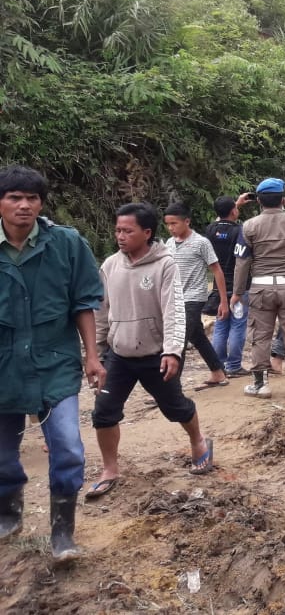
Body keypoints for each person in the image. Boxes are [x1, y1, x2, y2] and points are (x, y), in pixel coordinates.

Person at [0, 165, 105, 563]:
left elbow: (83, 303)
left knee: (69, 448)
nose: (24, 205)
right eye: (14, 197)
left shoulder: (67, 244)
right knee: (1, 453)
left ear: (41, 203)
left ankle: (63, 531)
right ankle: (8, 511)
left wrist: (92, 356)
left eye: (32, 198)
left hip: (55, 363)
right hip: (4, 366)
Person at [89, 203, 214, 502]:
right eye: (118, 230)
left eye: (127, 231)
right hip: (119, 355)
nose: (120, 236)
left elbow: (174, 310)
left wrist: (172, 351)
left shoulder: (164, 265)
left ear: (146, 233)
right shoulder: (110, 265)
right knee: (103, 412)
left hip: (156, 355)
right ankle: (110, 469)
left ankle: (198, 440)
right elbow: (101, 312)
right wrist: (95, 353)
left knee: (175, 408)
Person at [232, 178, 285, 398]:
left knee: (260, 336)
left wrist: (238, 292)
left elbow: (242, 263)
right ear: (283, 200)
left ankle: (261, 385)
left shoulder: (248, 226)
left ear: (259, 201)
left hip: (261, 289)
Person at [163, 203, 228, 390]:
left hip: (194, 297)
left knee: (179, 340)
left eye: (174, 223)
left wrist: (222, 300)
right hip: (175, 297)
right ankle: (218, 372)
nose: (171, 228)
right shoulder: (169, 243)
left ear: (187, 221)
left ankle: (171, 389)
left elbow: (216, 270)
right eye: (168, 224)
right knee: (197, 336)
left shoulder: (201, 243)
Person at [207, 194, 253, 378]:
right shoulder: (240, 231)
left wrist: (234, 205)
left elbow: (219, 221)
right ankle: (234, 365)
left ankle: (219, 365)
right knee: (238, 325)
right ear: (234, 211)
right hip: (238, 286)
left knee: (220, 324)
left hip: (218, 286)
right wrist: (236, 206)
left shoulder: (211, 230)